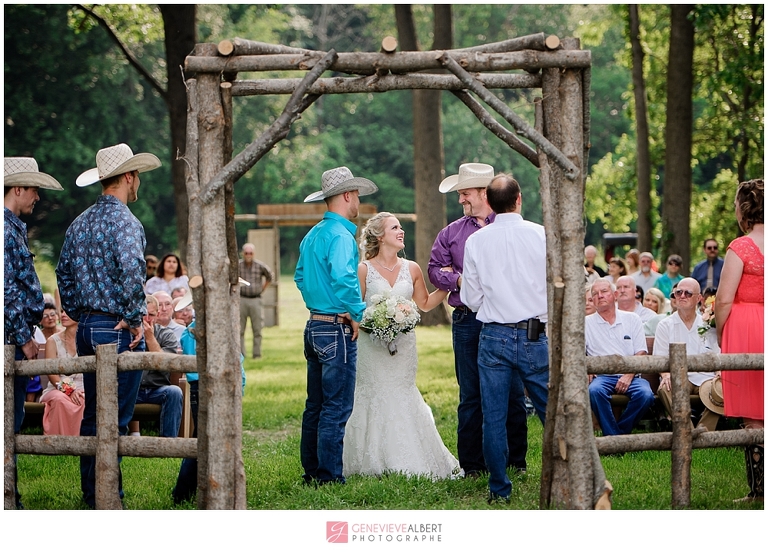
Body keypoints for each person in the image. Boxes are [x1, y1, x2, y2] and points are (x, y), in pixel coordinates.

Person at [57, 142, 160, 509]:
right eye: (138, 178)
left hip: (86, 326)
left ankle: (92, 495)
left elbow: (63, 274)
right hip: (115, 329)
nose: (139, 184)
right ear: (129, 177)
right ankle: (108, 497)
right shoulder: (126, 222)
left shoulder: (79, 222)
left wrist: (78, 311)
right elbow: (134, 271)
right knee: (115, 416)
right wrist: (134, 319)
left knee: (94, 415)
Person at [428, 162, 529, 478]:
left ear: (485, 193)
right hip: (468, 320)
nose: (461, 200)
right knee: (470, 394)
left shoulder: (514, 228)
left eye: (465, 193)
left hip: (505, 320)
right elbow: (435, 270)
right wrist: (462, 281)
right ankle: (472, 465)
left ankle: (516, 460)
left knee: (512, 391)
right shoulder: (451, 233)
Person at [342, 212, 457, 478]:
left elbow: (425, 304)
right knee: (373, 392)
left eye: (401, 227)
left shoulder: (412, 268)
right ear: (380, 236)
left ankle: (409, 458)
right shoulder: (364, 269)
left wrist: (450, 281)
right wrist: (372, 321)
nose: (401, 231)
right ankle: (370, 460)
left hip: (404, 347)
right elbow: (354, 309)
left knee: (402, 392)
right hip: (372, 348)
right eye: (395, 227)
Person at [461, 173, 549, 504]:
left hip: (494, 334)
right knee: (548, 410)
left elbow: (471, 297)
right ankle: (562, 472)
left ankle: (499, 489)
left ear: (491, 203)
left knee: (493, 416)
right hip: (533, 332)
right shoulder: (541, 235)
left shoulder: (476, 241)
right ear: (519, 199)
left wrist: (498, 305)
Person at [294, 166, 377, 485]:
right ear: (346, 195)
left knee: (314, 405)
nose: (357, 201)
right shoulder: (341, 235)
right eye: (356, 194)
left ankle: (312, 472)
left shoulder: (313, 234)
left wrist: (319, 303)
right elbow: (345, 278)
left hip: (314, 325)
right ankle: (329, 477)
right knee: (336, 407)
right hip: (335, 330)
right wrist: (356, 312)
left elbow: (300, 276)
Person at [4, 157, 63, 508]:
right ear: (18, 188)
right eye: (35, 190)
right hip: (10, 338)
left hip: (17, 333)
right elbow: (6, 288)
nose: (38, 198)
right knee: (7, 417)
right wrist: (23, 336)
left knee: (14, 416)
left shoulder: (15, 227)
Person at [715, 178, 764, 503]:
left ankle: (759, 490)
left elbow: (723, 299)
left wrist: (722, 333)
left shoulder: (741, 247)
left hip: (747, 328)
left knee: (753, 415)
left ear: (744, 207)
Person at [586, 278, 655, 437]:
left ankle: (616, 435)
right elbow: (579, 353)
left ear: (615, 294)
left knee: (646, 395)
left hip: (631, 376)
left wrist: (628, 376)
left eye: (604, 291)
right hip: (602, 377)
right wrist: (586, 369)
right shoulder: (586, 323)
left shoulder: (632, 319)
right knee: (595, 391)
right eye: (595, 294)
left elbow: (641, 352)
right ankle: (616, 438)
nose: (600, 296)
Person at [653, 278, 720, 431]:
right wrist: (665, 375)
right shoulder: (665, 325)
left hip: (706, 378)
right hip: (678, 377)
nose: (682, 296)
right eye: (678, 292)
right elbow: (659, 358)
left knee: (722, 388)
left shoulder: (709, 324)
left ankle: (705, 432)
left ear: (699, 299)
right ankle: (687, 431)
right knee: (665, 388)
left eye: (688, 293)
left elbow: (718, 355)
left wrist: (719, 373)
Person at [133, 294, 183, 438]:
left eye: (151, 314)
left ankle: (168, 444)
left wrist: (149, 337)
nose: (147, 319)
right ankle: (117, 440)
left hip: (158, 389)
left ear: (157, 314)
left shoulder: (166, 334)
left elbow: (164, 364)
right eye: (143, 314)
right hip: (133, 390)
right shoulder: (127, 334)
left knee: (174, 392)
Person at [40, 310, 84, 436]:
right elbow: (52, 373)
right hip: (57, 387)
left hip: (83, 387)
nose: (63, 315)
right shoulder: (52, 341)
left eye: (68, 312)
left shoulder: (86, 339)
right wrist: (69, 390)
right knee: (60, 399)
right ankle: (57, 441)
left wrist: (77, 391)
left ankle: (81, 442)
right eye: (62, 311)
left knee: (83, 399)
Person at [238, 243, 274, 359]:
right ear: (243, 253)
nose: (248, 255)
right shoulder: (238, 265)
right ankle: (241, 354)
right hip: (241, 299)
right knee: (239, 329)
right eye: (246, 253)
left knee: (257, 329)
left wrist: (262, 288)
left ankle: (257, 354)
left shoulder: (259, 266)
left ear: (254, 254)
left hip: (256, 299)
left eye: (250, 253)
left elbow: (270, 276)